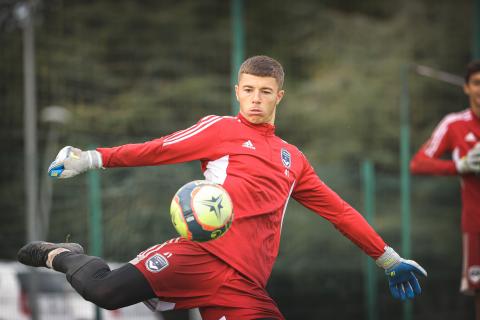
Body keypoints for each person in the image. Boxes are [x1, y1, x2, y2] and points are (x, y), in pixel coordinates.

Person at [18, 55, 426, 320]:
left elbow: (338, 211)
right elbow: (159, 149)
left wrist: (387, 258)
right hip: (198, 254)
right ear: (237, 91)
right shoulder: (222, 128)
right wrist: (90, 158)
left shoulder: (293, 159)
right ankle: (62, 255)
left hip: (245, 286)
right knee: (103, 291)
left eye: (265, 92)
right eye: (248, 90)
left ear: (279, 97)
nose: (255, 99)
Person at [410, 60, 480, 320]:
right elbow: (418, 163)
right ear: (466, 88)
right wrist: (459, 165)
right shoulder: (454, 124)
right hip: (476, 225)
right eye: (476, 83)